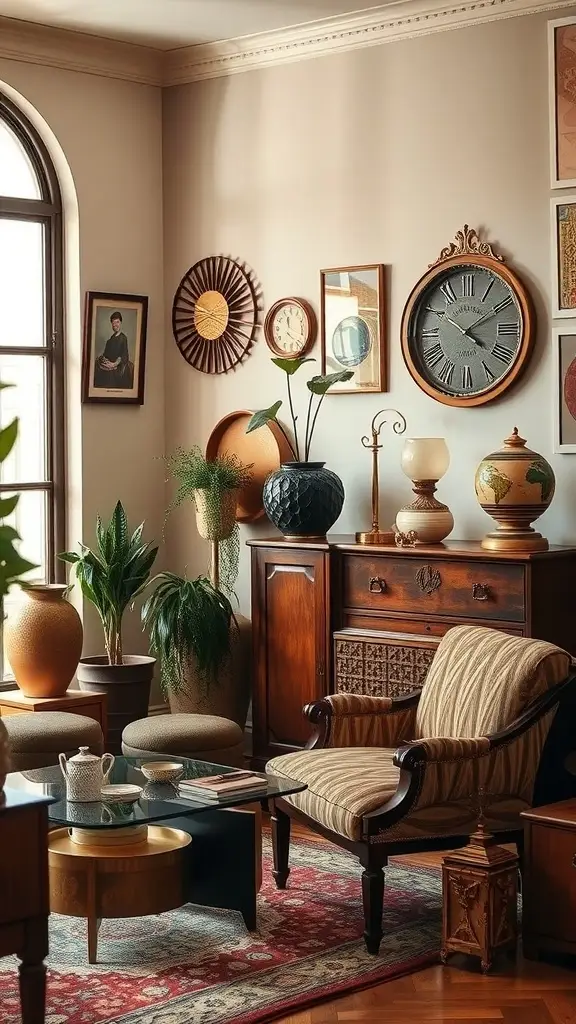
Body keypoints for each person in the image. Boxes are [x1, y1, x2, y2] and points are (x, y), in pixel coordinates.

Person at [93, 311, 134, 389]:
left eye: (117, 322)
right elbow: (106, 354)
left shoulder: (123, 338)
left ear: (120, 323)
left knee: (109, 379)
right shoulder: (110, 340)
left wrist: (114, 364)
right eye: (113, 323)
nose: (115, 325)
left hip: (118, 367)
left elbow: (124, 355)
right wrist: (104, 360)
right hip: (108, 365)